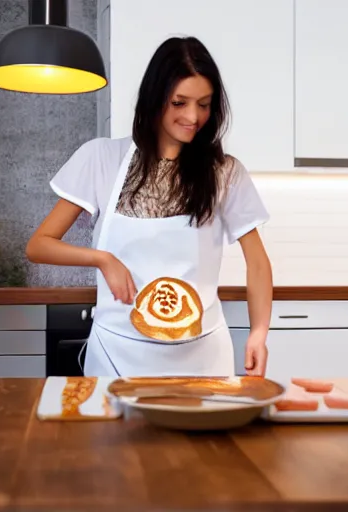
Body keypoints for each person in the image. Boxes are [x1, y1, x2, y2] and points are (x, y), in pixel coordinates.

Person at [26, 36, 273, 378]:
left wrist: (259, 332)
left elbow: (257, 262)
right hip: (117, 356)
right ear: (155, 99)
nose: (193, 116)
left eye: (204, 104)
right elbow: (39, 245)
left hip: (201, 359)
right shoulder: (101, 158)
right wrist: (102, 258)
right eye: (179, 102)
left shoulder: (225, 172)